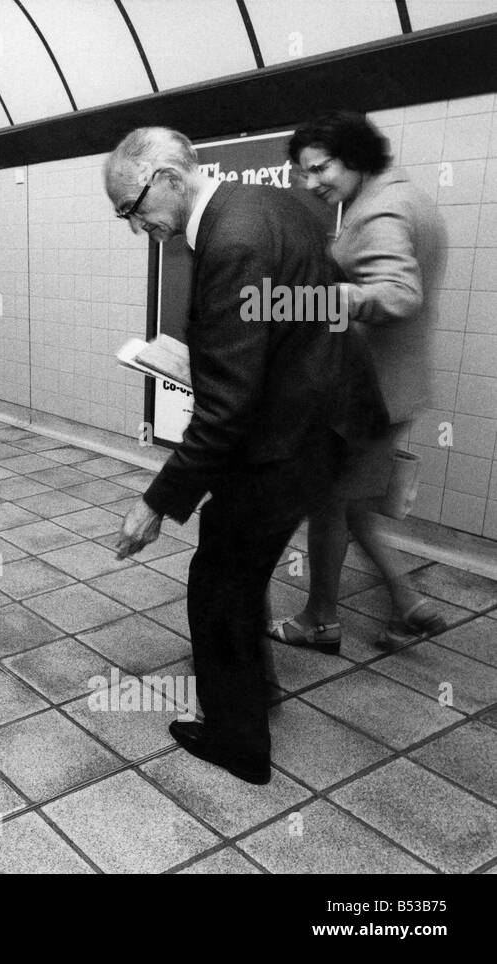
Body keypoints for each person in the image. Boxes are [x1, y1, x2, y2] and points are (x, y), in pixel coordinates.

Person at [104, 127, 385, 785]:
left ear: (168, 178)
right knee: (238, 560)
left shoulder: (232, 239)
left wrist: (155, 502)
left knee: (220, 583)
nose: (135, 225)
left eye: (132, 208)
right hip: (320, 419)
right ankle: (254, 686)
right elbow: (296, 319)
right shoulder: (268, 206)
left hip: (290, 438)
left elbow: (228, 409)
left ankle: (237, 742)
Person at [269, 111, 447, 652]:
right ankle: (407, 605)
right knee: (350, 503)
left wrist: (314, 301)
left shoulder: (380, 211)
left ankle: (322, 620)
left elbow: (397, 292)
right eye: (303, 172)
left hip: (367, 394)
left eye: (318, 169)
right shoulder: (410, 197)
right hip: (397, 385)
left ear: (353, 156)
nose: (310, 182)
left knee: (331, 504)